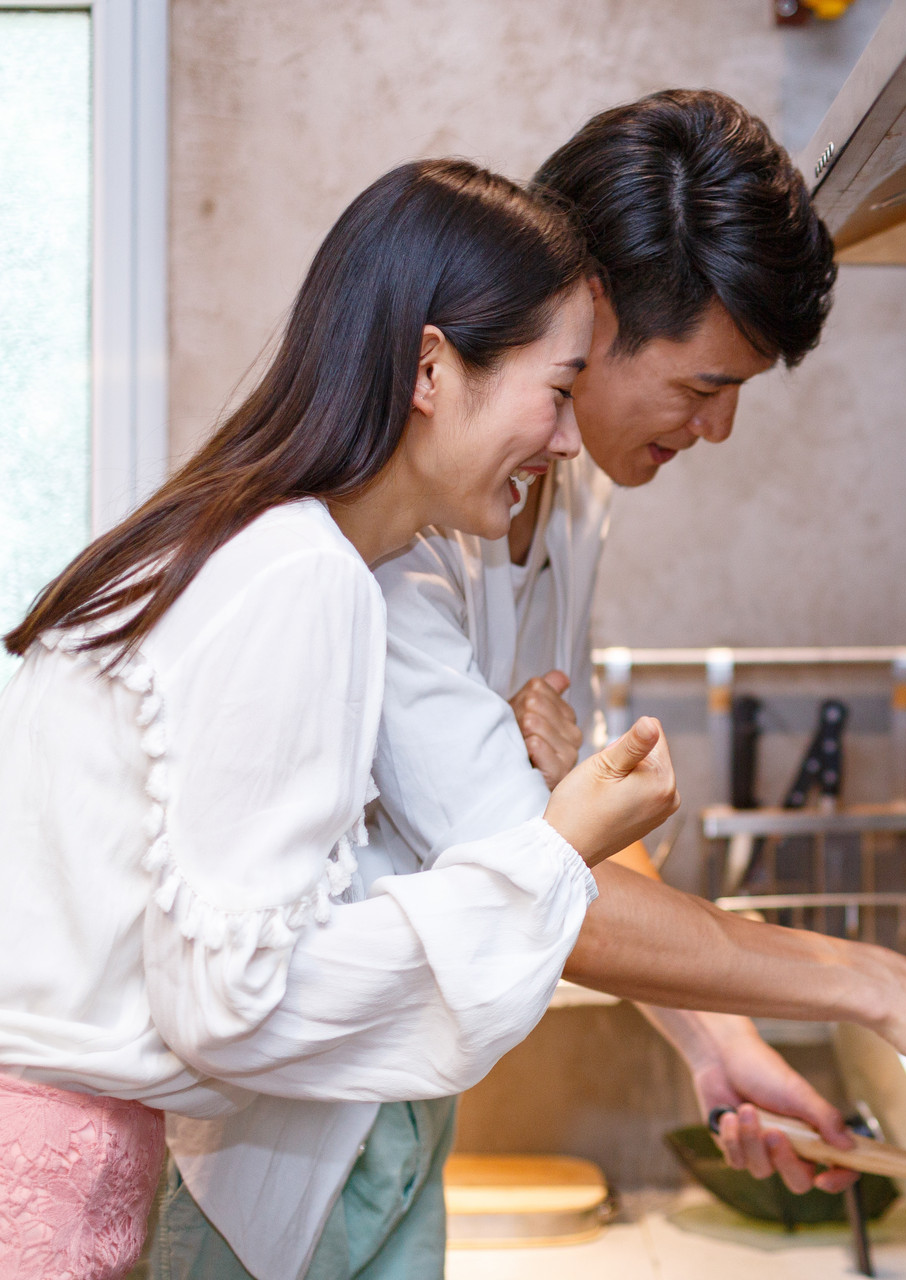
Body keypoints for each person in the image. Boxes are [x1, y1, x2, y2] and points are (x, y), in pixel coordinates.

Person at [148, 94, 906, 1278]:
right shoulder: (377, 548)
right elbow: (535, 864)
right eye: (702, 384)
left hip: (406, 1106)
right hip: (264, 1156)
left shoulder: (566, 502)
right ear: (593, 315)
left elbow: (555, 831)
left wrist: (718, 1040)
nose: (722, 425)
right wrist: (876, 984)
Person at [0, 159, 678, 1279]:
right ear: (430, 367)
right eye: (557, 391)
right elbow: (235, 1001)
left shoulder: (251, 540)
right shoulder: (301, 572)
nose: (568, 440)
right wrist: (555, 850)